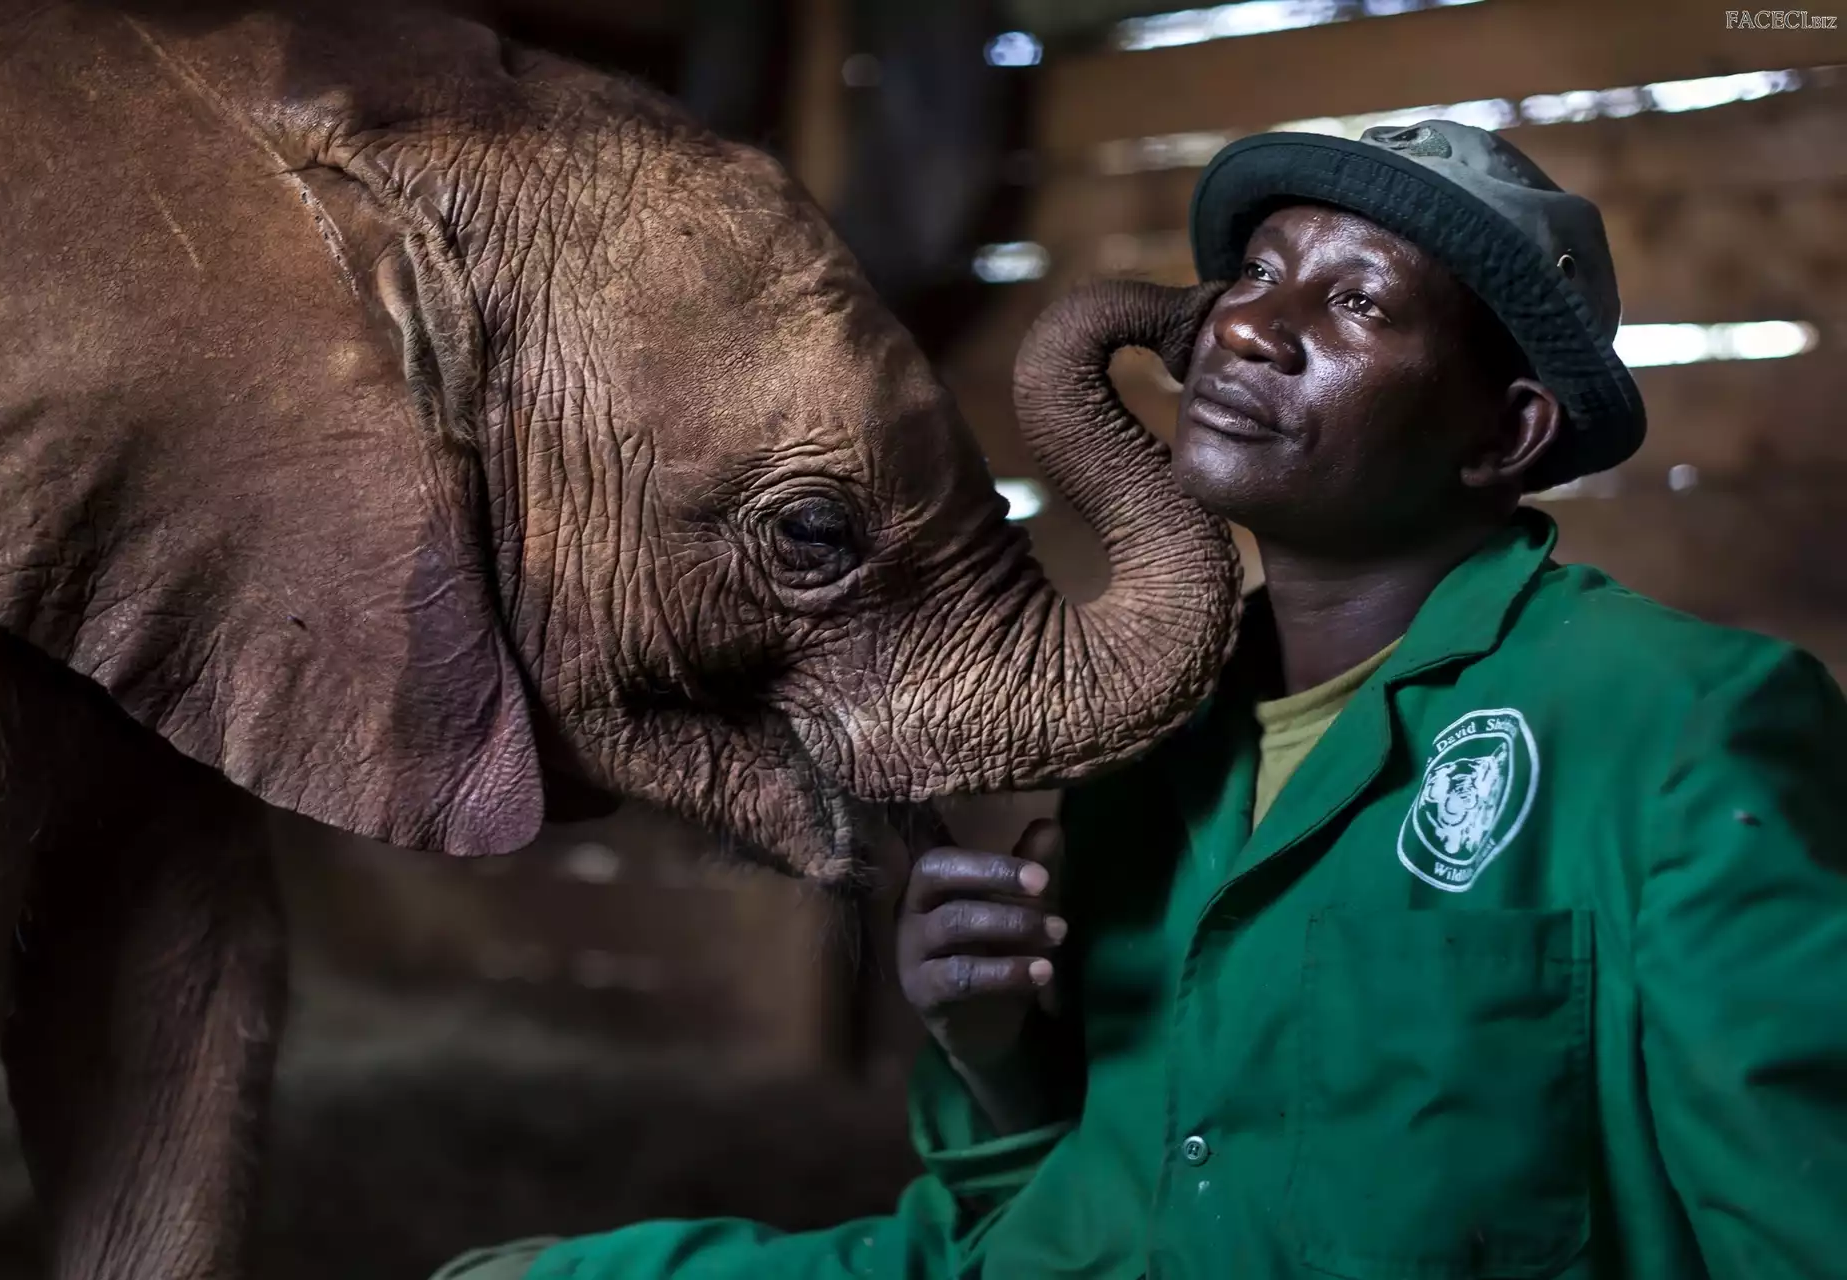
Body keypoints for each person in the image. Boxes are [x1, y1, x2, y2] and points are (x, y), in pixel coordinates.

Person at [435, 120, 1847, 1279]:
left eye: (1357, 303)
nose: (1253, 329)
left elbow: (1802, 1224)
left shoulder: (1680, 727)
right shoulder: (1155, 741)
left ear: (1506, 431)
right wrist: (993, 1046)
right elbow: (1050, 1207)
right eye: (1259, 274)